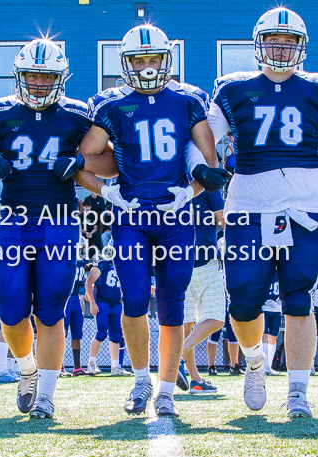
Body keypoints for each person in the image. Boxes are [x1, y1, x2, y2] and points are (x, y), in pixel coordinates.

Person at [198, 7, 318, 418]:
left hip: (305, 205)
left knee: (299, 298)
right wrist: (199, 166)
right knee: (244, 300)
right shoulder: (232, 89)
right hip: (248, 204)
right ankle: (255, 362)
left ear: (300, 47)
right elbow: (202, 139)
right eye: (274, 40)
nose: (281, 49)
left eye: (288, 42)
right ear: (259, 44)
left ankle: (298, 392)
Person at [0, 38, 118, 419]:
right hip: (12, 223)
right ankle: (26, 369)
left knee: (51, 310)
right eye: (32, 77)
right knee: (9, 305)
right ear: (19, 76)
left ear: (61, 78)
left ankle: (46, 393)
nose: (39, 85)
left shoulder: (78, 115)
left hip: (59, 224)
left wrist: (80, 160)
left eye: (47, 78)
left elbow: (110, 163)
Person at [76, 25, 226, 418]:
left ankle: (165, 389)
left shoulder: (189, 98)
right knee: (135, 298)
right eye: (139, 60)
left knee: (172, 304)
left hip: (177, 213)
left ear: (166, 60)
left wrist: (191, 192)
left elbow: (209, 161)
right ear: (126, 64)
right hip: (130, 215)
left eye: (153, 59)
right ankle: (141, 380)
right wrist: (107, 189)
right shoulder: (110, 104)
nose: (146, 67)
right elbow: (84, 158)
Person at [179, 190, 225, 393]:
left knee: (185, 325)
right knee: (216, 319)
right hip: (205, 259)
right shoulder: (208, 184)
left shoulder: (173, 179)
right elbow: (223, 219)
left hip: (178, 261)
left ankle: (195, 380)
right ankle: (176, 357)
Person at [84, 248, 130, 377]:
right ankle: (91, 363)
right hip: (102, 302)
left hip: (116, 303)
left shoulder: (121, 265)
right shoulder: (102, 263)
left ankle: (115, 366)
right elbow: (88, 283)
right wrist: (92, 303)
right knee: (101, 333)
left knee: (116, 335)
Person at [62, 252, 88, 376]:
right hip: (65, 297)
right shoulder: (64, 258)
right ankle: (59, 366)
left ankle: (77, 367)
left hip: (76, 297)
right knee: (62, 333)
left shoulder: (82, 261)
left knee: (77, 334)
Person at [261, 270, 282, 375]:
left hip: (277, 309)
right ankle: (265, 366)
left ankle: (269, 365)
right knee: (264, 336)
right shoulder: (264, 271)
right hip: (264, 308)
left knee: (273, 337)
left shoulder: (281, 273)